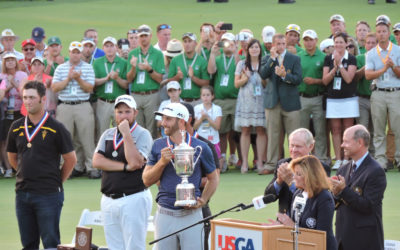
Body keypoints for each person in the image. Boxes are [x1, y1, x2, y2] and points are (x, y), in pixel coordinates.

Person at [6, 81, 76, 249]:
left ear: (43, 99)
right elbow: (12, 157)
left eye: (32, 97)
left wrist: (57, 181)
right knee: (28, 244)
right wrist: (24, 172)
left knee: (51, 243)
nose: (27, 101)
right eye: (25, 98)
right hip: (23, 194)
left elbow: (71, 159)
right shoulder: (16, 127)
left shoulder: (56, 128)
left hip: (48, 194)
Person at [143, 102, 219, 250]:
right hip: (164, 212)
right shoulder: (157, 145)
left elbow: (213, 178)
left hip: (192, 214)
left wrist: (203, 200)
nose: (163, 123)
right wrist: (162, 162)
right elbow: (146, 180)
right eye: (163, 118)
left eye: (168, 119)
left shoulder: (202, 147)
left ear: (182, 122)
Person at [92, 95, 153, 250]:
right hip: (108, 198)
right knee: (114, 247)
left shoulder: (143, 134)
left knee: (134, 246)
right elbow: (97, 161)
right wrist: (124, 167)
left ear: (135, 113)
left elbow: (135, 162)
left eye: (127, 111)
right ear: (114, 113)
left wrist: (126, 134)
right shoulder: (107, 134)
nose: (123, 116)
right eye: (120, 112)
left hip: (133, 198)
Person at [331, 125, 386, 250]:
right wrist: (334, 193)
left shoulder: (376, 171)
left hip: (364, 241)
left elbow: (368, 206)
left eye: (346, 141)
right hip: (342, 240)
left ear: (360, 142)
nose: (342, 145)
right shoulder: (343, 169)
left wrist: (343, 190)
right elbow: (335, 203)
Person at [52, 41, 100, 179]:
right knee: (66, 139)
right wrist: (68, 78)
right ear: (69, 53)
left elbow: (89, 88)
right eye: (73, 52)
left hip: (83, 104)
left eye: (78, 52)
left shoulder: (87, 68)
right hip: (65, 105)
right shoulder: (61, 68)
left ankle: (91, 167)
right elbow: (55, 88)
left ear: (81, 54)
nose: (75, 55)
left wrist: (78, 79)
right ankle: (70, 167)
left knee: (86, 138)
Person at [259, 33, 302, 174]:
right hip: (272, 102)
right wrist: (272, 59)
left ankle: (296, 164)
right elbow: (263, 74)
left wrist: (285, 76)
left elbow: (298, 79)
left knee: (294, 136)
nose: (281, 47)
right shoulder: (267, 58)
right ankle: (271, 164)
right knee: (272, 135)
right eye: (278, 44)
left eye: (283, 44)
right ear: (273, 45)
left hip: (291, 102)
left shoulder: (294, 58)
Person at [274, 155, 337, 250]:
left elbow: (321, 236)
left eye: (298, 174)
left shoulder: (324, 198)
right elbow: (294, 223)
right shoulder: (297, 193)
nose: (294, 177)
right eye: (294, 173)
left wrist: (292, 226)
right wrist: (281, 227)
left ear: (310, 176)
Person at [181, 102, 220, 250]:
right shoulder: (167, 145)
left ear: (187, 119)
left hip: (199, 208)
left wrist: (186, 183)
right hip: (171, 209)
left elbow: (214, 177)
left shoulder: (205, 145)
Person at [264, 128, 331, 214]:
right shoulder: (283, 164)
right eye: (291, 145)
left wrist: (290, 182)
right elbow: (268, 198)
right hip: (283, 221)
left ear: (310, 146)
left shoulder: (320, 167)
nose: (294, 150)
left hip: (306, 222)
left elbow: (313, 198)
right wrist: (279, 181)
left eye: (298, 146)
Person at [365, 16, 400, 170]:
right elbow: (368, 75)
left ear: (388, 33)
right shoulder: (371, 53)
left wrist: (393, 67)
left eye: (384, 31)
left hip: (395, 93)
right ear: (376, 34)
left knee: (398, 128)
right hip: (378, 92)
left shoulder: (398, 50)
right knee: (379, 129)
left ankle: (398, 159)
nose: (381, 34)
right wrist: (384, 69)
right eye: (378, 32)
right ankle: (381, 160)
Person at [322, 32, 358, 170]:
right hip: (333, 99)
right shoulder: (328, 59)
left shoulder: (352, 58)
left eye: (341, 42)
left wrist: (340, 65)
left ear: (345, 44)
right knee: (335, 130)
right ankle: (338, 159)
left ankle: (347, 159)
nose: (338, 45)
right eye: (336, 42)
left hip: (348, 99)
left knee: (347, 130)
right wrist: (334, 68)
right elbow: (325, 80)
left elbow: (349, 78)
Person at [208, 32, 240, 172]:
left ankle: (236, 156)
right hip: (220, 100)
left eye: (230, 42)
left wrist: (236, 51)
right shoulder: (219, 58)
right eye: (225, 42)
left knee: (236, 131)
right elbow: (211, 70)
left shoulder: (238, 57)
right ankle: (222, 157)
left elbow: (241, 68)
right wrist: (213, 54)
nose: (227, 45)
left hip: (236, 99)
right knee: (222, 131)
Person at [126, 24, 165, 139]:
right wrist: (133, 67)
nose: (143, 38)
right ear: (138, 37)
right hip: (136, 94)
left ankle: (151, 154)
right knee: (136, 127)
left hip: (151, 94)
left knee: (151, 128)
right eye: (141, 36)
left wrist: (149, 69)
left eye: (146, 36)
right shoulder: (132, 54)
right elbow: (129, 79)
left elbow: (159, 79)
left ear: (151, 36)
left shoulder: (157, 54)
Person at [234, 39, 267, 173]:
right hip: (245, 102)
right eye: (252, 47)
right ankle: (245, 163)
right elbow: (236, 84)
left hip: (260, 101)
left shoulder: (264, 63)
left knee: (260, 130)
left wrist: (262, 76)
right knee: (245, 130)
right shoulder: (242, 64)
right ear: (247, 50)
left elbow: (266, 84)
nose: (254, 49)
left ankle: (259, 161)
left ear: (260, 50)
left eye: (256, 47)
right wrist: (246, 77)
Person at [298, 30, 329, 165]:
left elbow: (326, 80)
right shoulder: (299, 56)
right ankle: (303, 158)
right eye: (306, 40)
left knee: (320, 130)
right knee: (302, 131)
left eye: (311, 39)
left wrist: (314, 81)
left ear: (316, 40)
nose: (308, 42)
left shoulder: (323, 57)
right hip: (302, 97)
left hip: (318, 97)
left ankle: (321, 158)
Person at [93, 36, 128, 141]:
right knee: (102, 132)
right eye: (106, 46)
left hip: (119, 102)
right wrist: (106, 79)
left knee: (122, 130)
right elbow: (93, 82)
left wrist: (117, 78)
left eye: (111, 46)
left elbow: (126, 85)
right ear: (103, 48)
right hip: (103, 102)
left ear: (116, 48)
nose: (109, 48)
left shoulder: (123, 63)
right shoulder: (97, 62)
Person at [0, 52, 28, 178]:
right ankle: (8, 169)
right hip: (6, 113)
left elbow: (25, 94)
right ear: (4, 63)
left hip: (20, 111)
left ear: (16, 62)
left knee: (22, 140)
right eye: (7, 60)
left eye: (12, 60)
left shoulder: (22, 75)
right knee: (5, 141)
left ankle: (22, 167)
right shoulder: (1, 76)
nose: (10, 62)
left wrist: (15, 85)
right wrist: (8, 86)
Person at [168, 32, 209, 105]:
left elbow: (206, 83)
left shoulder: (202, 61)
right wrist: (177, 77)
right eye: (185, 41)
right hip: (180, 101)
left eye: (190, 41)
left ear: (195, 43)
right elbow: (169, 82)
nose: (187, 44)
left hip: (197, 101)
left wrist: (193, 77)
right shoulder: (175, 60)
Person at [354, 33, 377, 154]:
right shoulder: (359, 58)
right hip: (362, 98)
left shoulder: (381, 58)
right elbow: (355, 77)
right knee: (362, 127)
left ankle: (373, 153)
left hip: (376, 97)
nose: (371, 45)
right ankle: (362, 153)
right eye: (368, 43)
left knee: (375, 129)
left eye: (373, 43)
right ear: (365, 44)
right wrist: (366, 67)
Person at [194, 86, 222, 167]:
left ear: (212, 96)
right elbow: (195, 127)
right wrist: (201, 119)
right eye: (203, 95)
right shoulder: (197, 108)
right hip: (201, 138)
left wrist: (208, 118)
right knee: (201, 160)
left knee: (215, 161)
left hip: (213, 139)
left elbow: (217, 127)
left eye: (208, 95)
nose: (206, 97)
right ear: (200, 96)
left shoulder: (217, 109)